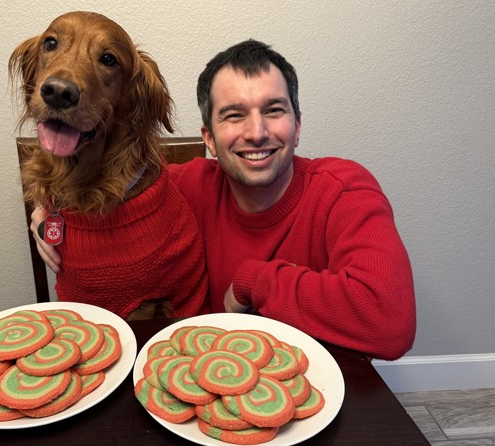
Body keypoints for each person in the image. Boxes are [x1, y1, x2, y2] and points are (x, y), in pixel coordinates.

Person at [30, 39, 416, 360]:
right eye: (233, 115)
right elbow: (106, 188)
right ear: (209, 139)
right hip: (206, 382)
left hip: (319, 389)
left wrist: (254, 281)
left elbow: (389, 323)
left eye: (274, 110)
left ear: (297, 126)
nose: (257, 132)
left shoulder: (343, 190)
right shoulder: (180, 188)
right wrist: (49, 211)